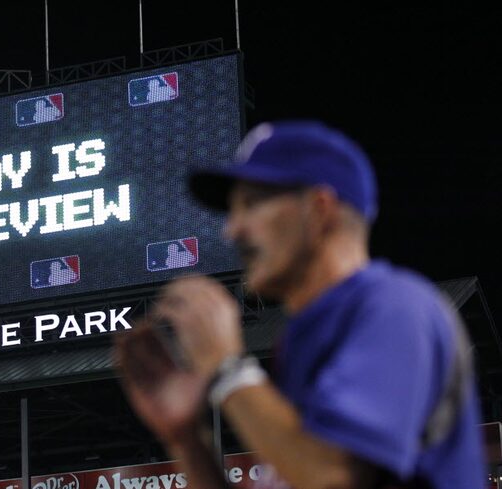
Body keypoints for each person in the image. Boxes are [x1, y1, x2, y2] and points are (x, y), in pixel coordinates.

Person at [115, 120, 484, 489]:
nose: (233, 229)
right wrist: (187, 440)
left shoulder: (394, 305)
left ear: (320, 208)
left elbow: (332, 475)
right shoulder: (301, 343)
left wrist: (227, 369)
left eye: (252, 204)